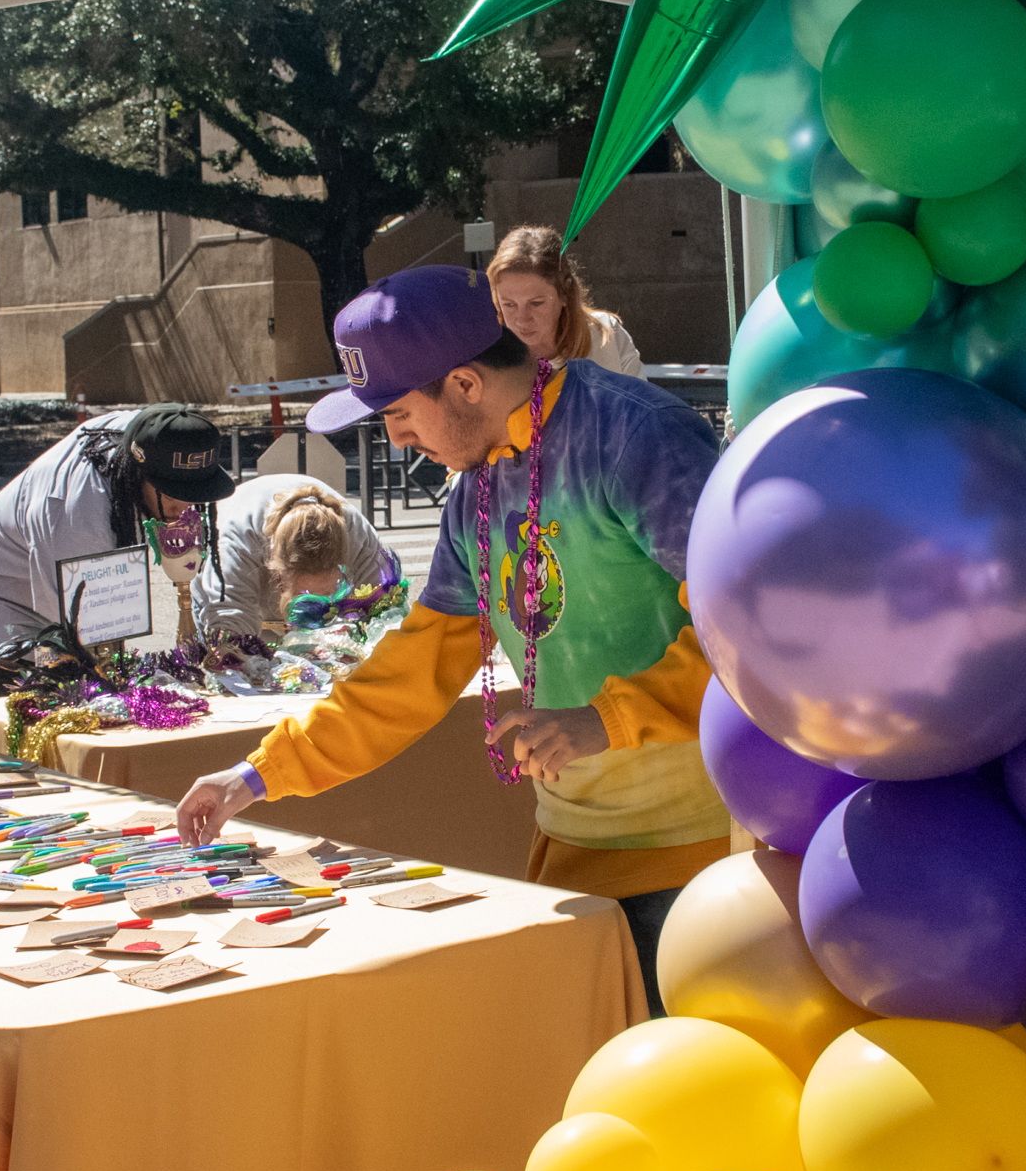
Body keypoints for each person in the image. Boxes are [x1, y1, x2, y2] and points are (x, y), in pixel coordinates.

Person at [175, 265, 728, 1013]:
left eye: (398, 413)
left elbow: (751, 631)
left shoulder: (636, 436)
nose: (396, 441)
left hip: (699, 857)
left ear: (466, 385)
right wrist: (257, 775)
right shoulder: (477, 485)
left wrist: (607, 721)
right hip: (574, 851)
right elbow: (415, 666)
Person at [0, 404, 237, 699]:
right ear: (139, 472)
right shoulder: (79, 516)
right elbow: (73, 632)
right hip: (3, 610)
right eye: (176, 495)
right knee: (52, 726)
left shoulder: (147, 436)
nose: (185, 509)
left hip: (62, 597)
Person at [195, 475, 399, 641]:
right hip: (233, 598)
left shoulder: (357, 538)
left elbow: (381, 614)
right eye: (303, 595)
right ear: (278, 572)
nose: (314, 605)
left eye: (326, 594)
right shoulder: (237, 542)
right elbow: (231, 620)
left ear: (342, 566)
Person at [487, 225, 644, 378]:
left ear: (565, 293)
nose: (522, 319)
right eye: (509, 304)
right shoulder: (485, 356)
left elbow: (644, 402)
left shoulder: (606, 337)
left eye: (536, 303)